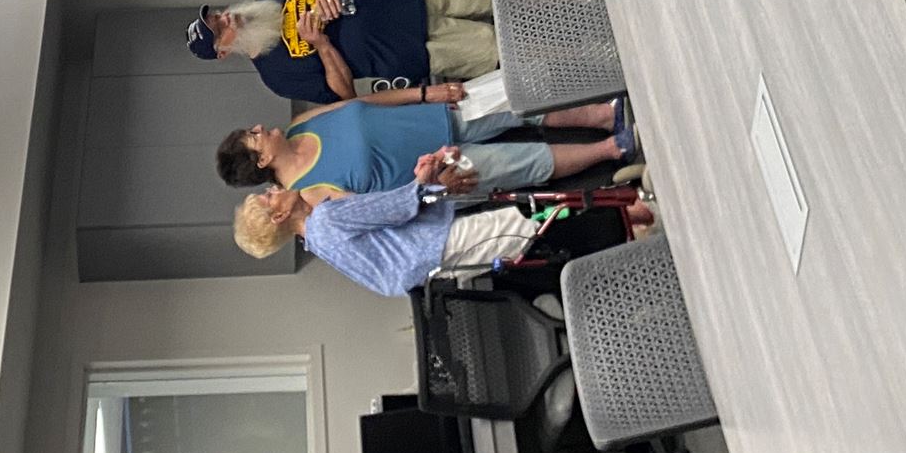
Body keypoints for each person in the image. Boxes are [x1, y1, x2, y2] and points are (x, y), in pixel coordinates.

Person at [235, 180, 655, 297]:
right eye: (268, 197)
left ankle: (628, 222)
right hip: (442, 240)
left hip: (436, 266)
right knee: (529, 219)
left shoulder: (319, 246)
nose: (273, 189)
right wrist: (430, 183)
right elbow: (392, 208)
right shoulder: (326, 219)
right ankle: (633, 213)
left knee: (533, 240)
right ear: (279, 215)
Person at [214, 86, 637, 200]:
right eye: (253, 136)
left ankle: (602, 114)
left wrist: (425, 93)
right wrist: (433, 188)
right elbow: (379, 210)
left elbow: (363, 102)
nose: (259, 127)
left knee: (520, 107)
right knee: (525, 161)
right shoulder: (310, 193)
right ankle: (612, 149)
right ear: (262, 160)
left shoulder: (300, 124)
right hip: (440, 171)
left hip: (436, 116)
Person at [188, 0, 500, 101]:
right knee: (503, 49)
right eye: (218, 29)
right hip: (419, 48)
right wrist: (321, 45)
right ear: (223, 52)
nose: (226, 18)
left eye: (218, 15)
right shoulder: (277, 78)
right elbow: (345, 96)